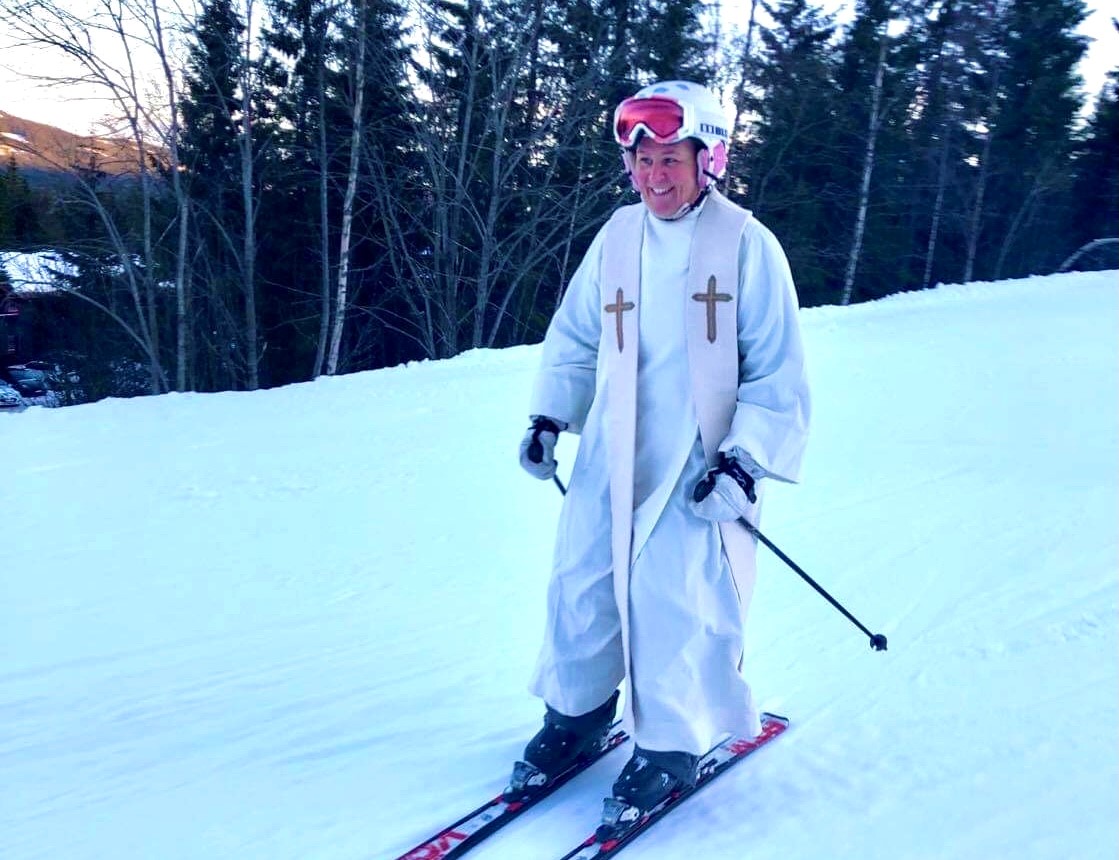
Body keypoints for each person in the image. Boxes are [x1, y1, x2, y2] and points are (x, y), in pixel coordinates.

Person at [509, 80, 811, 821]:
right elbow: (575, 333)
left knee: (672, 598)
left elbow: (777, 371)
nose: (653, 177)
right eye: (642, 162)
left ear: (708, 159)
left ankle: (672, 745)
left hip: (696, 458)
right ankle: (576, 715)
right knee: (581, 583)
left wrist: (743, 461)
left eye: (669, 159)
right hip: (612, 447)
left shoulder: (745, 243)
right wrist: (550, 416)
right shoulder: (617, 236)